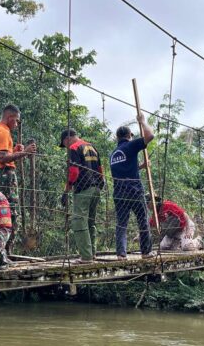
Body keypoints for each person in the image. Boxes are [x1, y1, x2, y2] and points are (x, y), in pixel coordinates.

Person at [0, 104, 36, 258]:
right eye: (16, 121)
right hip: (5, 176)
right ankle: (5, 252)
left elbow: (0, 155)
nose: (16, 124)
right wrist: (25, 153)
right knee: (10, 213)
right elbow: (2, 158)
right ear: (10, 118)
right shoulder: (3, 132)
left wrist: (14, 151)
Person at [109, 112, 155, 259]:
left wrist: (140, 166)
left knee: (121, 223)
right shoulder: (131, 146)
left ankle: (121, 254)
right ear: (129, 136)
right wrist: (142, 122)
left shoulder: (114, 154)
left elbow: (123, 170)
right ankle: (146, 252)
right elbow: (150, 136)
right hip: (134, 190)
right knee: (142, 220)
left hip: (119, 192)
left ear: (117, 138)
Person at [59, 128, 105, 263]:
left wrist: (66, 191)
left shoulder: (74, 148)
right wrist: (99, 184)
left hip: (83, 189)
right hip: (96, 187)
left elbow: (73, 172)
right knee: (90, 221)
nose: (66, 147)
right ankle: (92, 253)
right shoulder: (92, 147)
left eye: (64, 144)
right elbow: (100, 170)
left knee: (79, 221)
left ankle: (86, 257)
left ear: (67, 139)